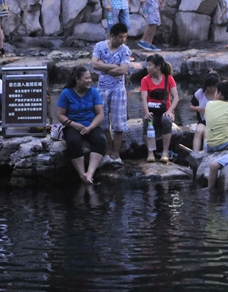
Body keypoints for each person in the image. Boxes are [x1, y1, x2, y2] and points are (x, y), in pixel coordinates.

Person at [57, 66, 106, 183]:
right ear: (77, 79)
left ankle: (90, 173)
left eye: (90, 78)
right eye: (86, 78)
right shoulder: (66, 93)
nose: (89, 80)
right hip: (73, 125)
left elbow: (100, 114)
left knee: (100, 140)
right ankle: (82, 173)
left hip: (90, 124)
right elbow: (60, 114)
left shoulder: (93, 92)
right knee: (73, 142)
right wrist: (74, 125)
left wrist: (90, 127)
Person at [91, 23, 131, 163]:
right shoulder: (100, 46)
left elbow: (122, 70)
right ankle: (108, 148)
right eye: (120, 37)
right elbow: (94, 64)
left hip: (118, 89)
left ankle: (116, 152)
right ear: (112, 36)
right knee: (102, 122)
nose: (123, 40)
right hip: (102, 88)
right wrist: (114, 66)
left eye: (125, 37)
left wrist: (104, 67)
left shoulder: (125, 50)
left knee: (118, 123)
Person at [140, 54, 179, 164]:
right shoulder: (145, 80)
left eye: (149, 65)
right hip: (151, 110)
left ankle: (165, 152)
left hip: (165, 110)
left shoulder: (169, 79)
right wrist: (146, 112)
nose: (147, 67)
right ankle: (150, 152)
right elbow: (143, 98)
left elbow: (175, 97)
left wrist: (169, 111)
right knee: (148, 121)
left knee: (166, 120)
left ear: (157, 67)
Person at [204, 80, 228, 152]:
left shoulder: (209, 104)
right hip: (226, 144)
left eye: (216, 91)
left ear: (220, 94)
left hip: (208, 146)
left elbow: (207, 119)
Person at [190, 72, 220, 152]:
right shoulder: (200, 93)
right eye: (210, 86)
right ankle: (195, 154)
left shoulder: (221, 93)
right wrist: (197, 108)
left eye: (214, 86)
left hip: (217, 121)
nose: (212, 89)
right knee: (199, 131)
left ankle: (204, 154)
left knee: (207, 132)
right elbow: (191, 106)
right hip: (203, 121)